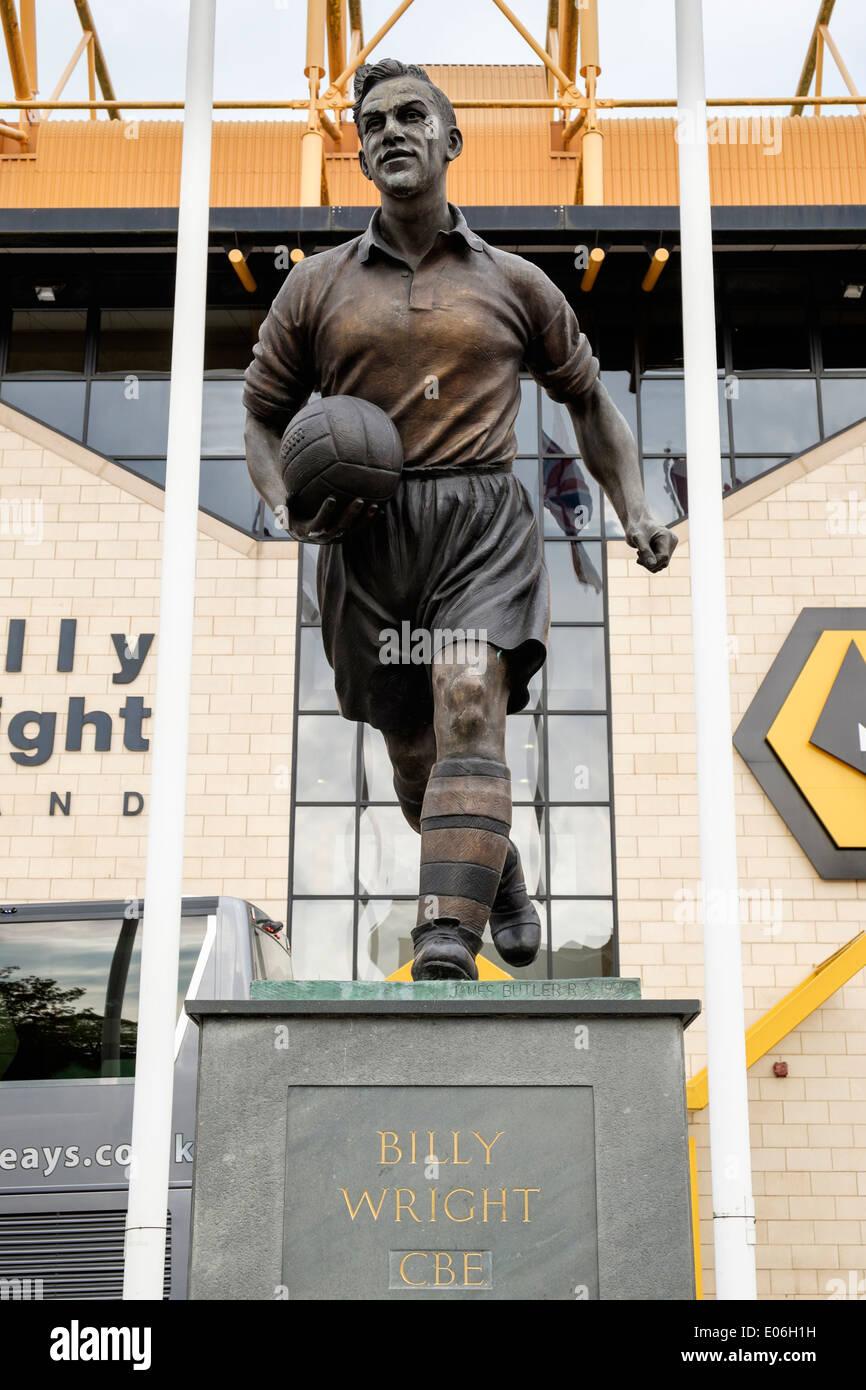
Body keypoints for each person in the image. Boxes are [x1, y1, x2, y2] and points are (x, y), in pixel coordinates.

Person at [243, 59, 677, 981]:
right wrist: (286, 503)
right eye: (371, 124)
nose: (390, 131)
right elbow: (261, 413)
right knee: (413, 764)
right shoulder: (315, 287)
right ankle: (499, 867)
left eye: (411, 115)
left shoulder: (515, 283)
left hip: (480, 522)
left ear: (451, 139)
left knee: (470, 701)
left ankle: (446, 932)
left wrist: (634, 507)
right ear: (361, 157)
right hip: (367, 534)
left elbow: (591, 403)